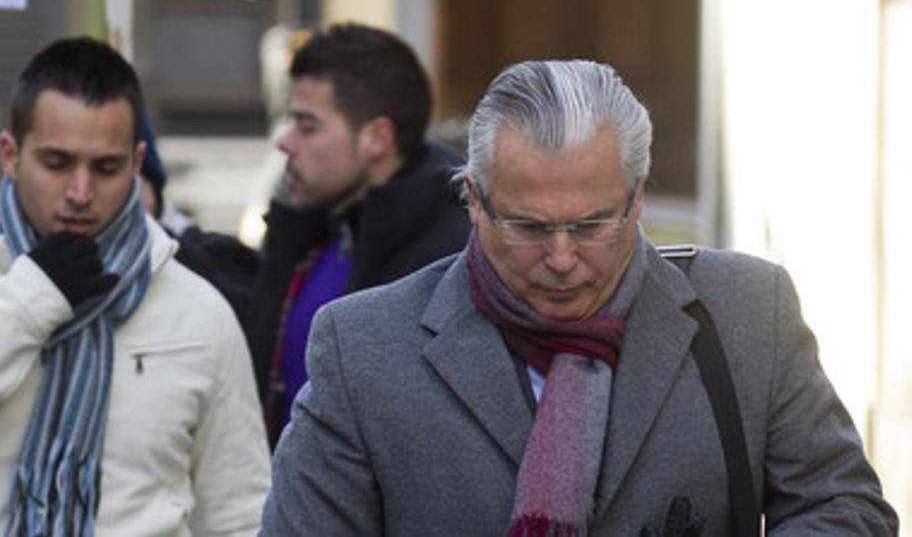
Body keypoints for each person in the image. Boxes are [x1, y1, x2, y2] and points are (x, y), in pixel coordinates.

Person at [260, 60, 899, 535]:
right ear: (474, 201)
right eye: (529, 227)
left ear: (637, 197)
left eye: (593, 225)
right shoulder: (365, 345)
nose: (562, 259)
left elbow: (846, 509)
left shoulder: (748, 312)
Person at [0, 37, 270, 536]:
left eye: (105, 168)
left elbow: (240, 514)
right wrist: (30, 299)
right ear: (10, 155)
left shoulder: (197, 312)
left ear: (135, 161)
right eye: (57, 164)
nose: (80, 193)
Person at [248, 22, 470, 444]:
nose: (286, 143)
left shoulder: (450, 262)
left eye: (307, 126)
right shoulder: (309, 232)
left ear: (376, 138)